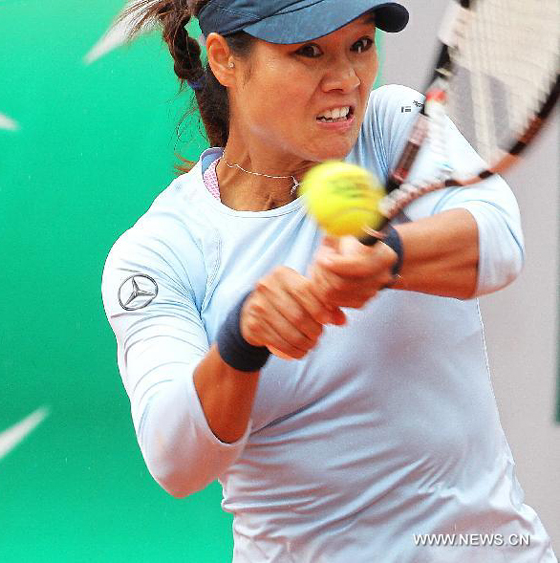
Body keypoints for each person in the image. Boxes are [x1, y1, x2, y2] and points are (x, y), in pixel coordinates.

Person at [100, 0, 558, 561]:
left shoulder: (394, 126)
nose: (345, 81)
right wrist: (242, 342)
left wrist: (389, 257)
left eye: (360, 45)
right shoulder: (159, 253)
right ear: (224, 59)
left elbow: (500, 240)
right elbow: (177, 462)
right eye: (308, 51)